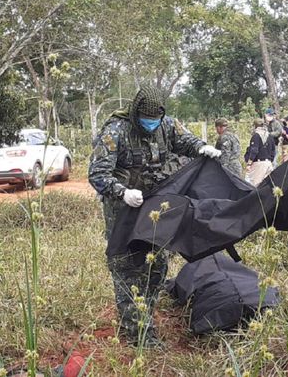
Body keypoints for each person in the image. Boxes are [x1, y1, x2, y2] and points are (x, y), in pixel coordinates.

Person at [88, 84, 221, 346]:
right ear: (136, 113)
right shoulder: (116, 131)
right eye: (145, 120)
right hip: (123, 210)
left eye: (155, 120)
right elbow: (97, 173)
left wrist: (202, 148)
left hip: (157, 209)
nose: (150, 124)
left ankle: (145, 314)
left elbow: (186, 141)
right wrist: (122, 191)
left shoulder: (166, 125)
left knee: (156, 265)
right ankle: (136, 334)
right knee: (127, 267)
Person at [245, 118, 276, 185]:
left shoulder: (256, 135)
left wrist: (249, 163)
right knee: (267, 186)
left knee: (255, 186)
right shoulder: (269, 135)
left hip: (259, 164)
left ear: (255, 126)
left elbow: (254, 151)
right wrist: (270, 160)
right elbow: (273, 150)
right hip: (269, 163)